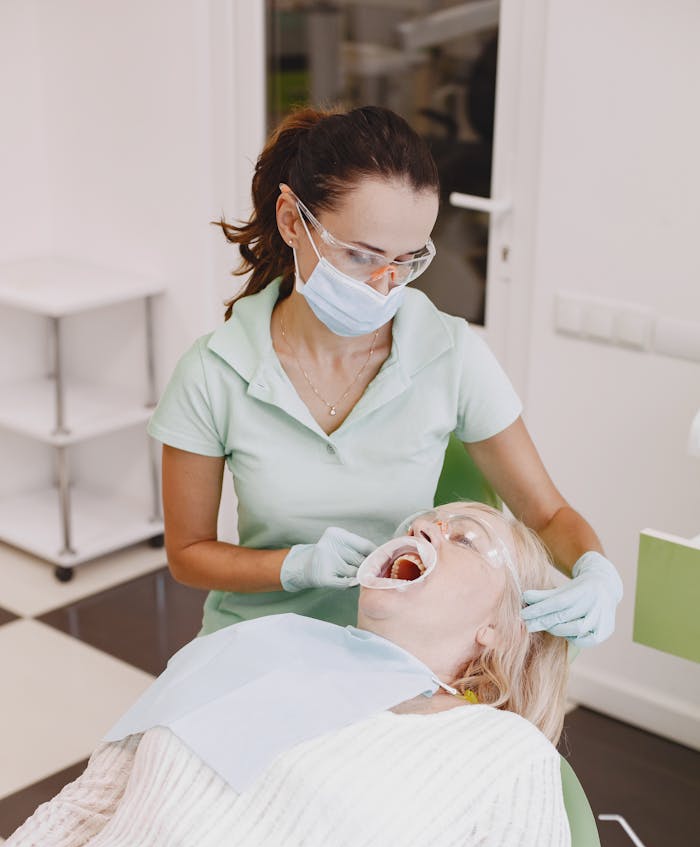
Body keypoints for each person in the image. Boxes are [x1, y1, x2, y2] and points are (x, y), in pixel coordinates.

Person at [0, 503, 571, 847]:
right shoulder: (249, 652)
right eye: (422, 522)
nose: (427, 528)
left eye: (465, 537)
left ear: (498, 627)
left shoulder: (508, 758)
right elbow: (85, 809)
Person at [148, 104, 622, 645]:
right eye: (359, 255)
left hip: (404, 649)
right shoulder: (214, 372)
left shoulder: (450, 355)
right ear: (290, 220)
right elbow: (188, 557)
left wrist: (596, 573)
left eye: (407, 260)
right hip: (258, 640)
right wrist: (292, 566)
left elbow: (547, 512)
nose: (383, 285)